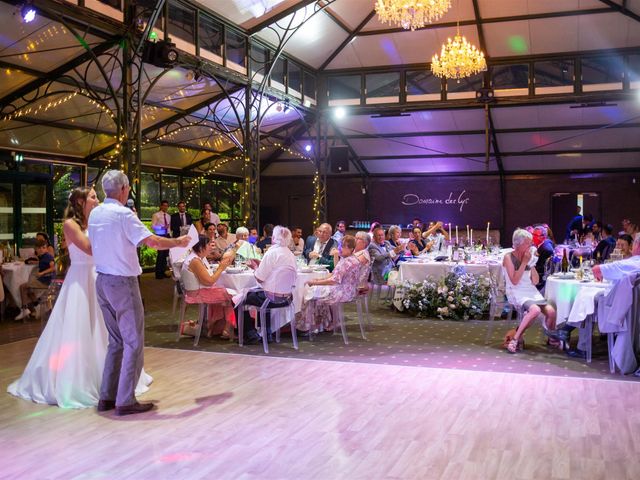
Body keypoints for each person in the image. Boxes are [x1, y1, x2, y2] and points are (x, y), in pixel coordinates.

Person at [7, 187, 153, 408]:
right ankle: (80, 382)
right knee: (80, 330)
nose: (98, 200)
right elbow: (89, 248)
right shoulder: (70, 225)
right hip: (81, 280)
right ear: (80, 201)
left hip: (102, 275)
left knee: (108, 333)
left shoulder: (97, 221)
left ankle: (113, 384)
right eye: (93, 196)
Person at [89, 170, 189, 416]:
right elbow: (152, 242)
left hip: (101, 280)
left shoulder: (95, 213)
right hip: (122, 283)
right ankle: (125, 400)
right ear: (124, 189)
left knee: (116, 341)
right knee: (133, 341)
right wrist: (178, 242)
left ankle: (107, 397)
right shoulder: (124, 214)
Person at [239, 226, 297, 345]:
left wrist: (255, 267)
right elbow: (278, 272)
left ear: (274, 238)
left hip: (270, 298)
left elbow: (259, 278)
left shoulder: (271, 253)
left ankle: (250, 333)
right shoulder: (290, 255)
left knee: (239, 298)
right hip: (287, 298)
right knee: (267, 291)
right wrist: (261, 265)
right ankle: (267, 332)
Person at [503, 229, 557, 354]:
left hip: (531, 291)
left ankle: (551, 337)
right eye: (528, 243)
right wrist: (524, 263)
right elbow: (515, 281)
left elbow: (536, 281)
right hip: (516, 291)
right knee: (535, 310)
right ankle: (515, 339)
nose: (531, 246)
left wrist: (531, 265)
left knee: (551, 312)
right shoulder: (508, 257)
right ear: (519, 244)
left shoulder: (528, 257)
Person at [297, 235, 360, 332]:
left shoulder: (346, 262)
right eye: (340, 246)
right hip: (349, 291)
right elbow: (335, 274)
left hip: (341, 292)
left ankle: (307, 326)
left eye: (343, 246)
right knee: (315, 293)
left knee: (310, 292)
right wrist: (317, 281)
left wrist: (315, 283)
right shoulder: (353, 259)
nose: (340, 248)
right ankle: (323, 322)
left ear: (351, 249)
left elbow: (334, 280)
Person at [181, 235, 236, 338]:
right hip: (199, 293)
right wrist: (221, 268)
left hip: (199, 290)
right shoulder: (195, 261)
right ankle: (227, 328)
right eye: (208, 244)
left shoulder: (197, 258)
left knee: (224, 293)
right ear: (201, 247)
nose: (211, 247)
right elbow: (209, 281)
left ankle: (214, 326)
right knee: (232, 295)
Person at [14, 238, 55, 320]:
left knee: (22, 287)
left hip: (46, 281)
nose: (41, 250)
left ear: (46, 248)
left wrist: (41, 273)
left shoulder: (48, 256)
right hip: (43, 280)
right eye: (39, 248)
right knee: (29, 291)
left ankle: (24, 309)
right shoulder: (43, 257)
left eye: (43, 248)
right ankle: (38, 307)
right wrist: (35, 262)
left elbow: (53, 268)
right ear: (36, 249)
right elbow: (44, 263)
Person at [151, 200, 171, 279]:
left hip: (167, 235)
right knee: (160, 255)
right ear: (161, 206)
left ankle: (163, 272)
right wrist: (162, 228)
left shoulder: (169, 216)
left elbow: (169, 227)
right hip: (160, 236)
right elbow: (153, 226)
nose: (165, 207)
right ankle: (158, 273)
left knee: (166, 255)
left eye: (167, 206)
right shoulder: (156, 215)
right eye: (164, 205)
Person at [533, 225, 555, 290]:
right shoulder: (540, 245)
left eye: (535, 235)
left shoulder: (546, 249)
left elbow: (542, 268)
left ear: (543, 237)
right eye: (533, 234)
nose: (533, 237)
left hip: (540, 278)